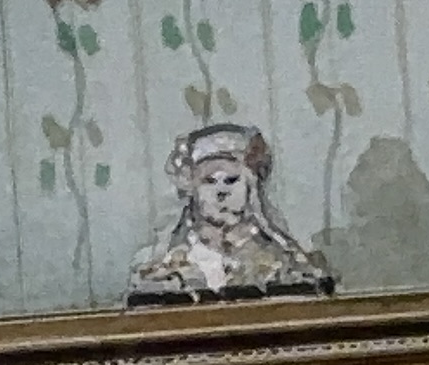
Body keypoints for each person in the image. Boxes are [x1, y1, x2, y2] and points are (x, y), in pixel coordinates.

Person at [124, 120, 333, 302]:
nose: (221, 192)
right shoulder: (159, 267)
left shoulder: (287, 263)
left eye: (231, 180)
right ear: (192, 188)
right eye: (209, 181)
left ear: (250, 187)